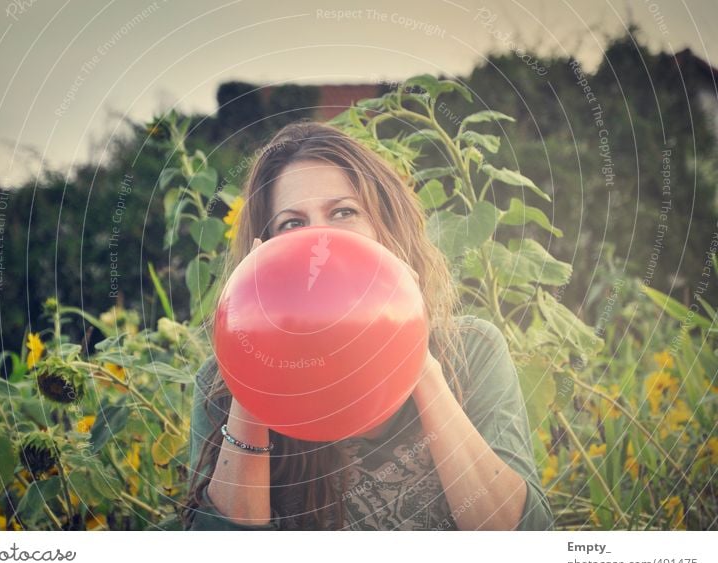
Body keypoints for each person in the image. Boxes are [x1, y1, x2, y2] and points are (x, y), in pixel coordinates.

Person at [181, 121, 554, 531]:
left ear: (386, 230)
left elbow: (523, 538)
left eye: (343, 213)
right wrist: (254, 377)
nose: (318, 241)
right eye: (292, 224)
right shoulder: (221, 386)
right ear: (263, 250)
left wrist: (415, 357)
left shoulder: (474, 349)